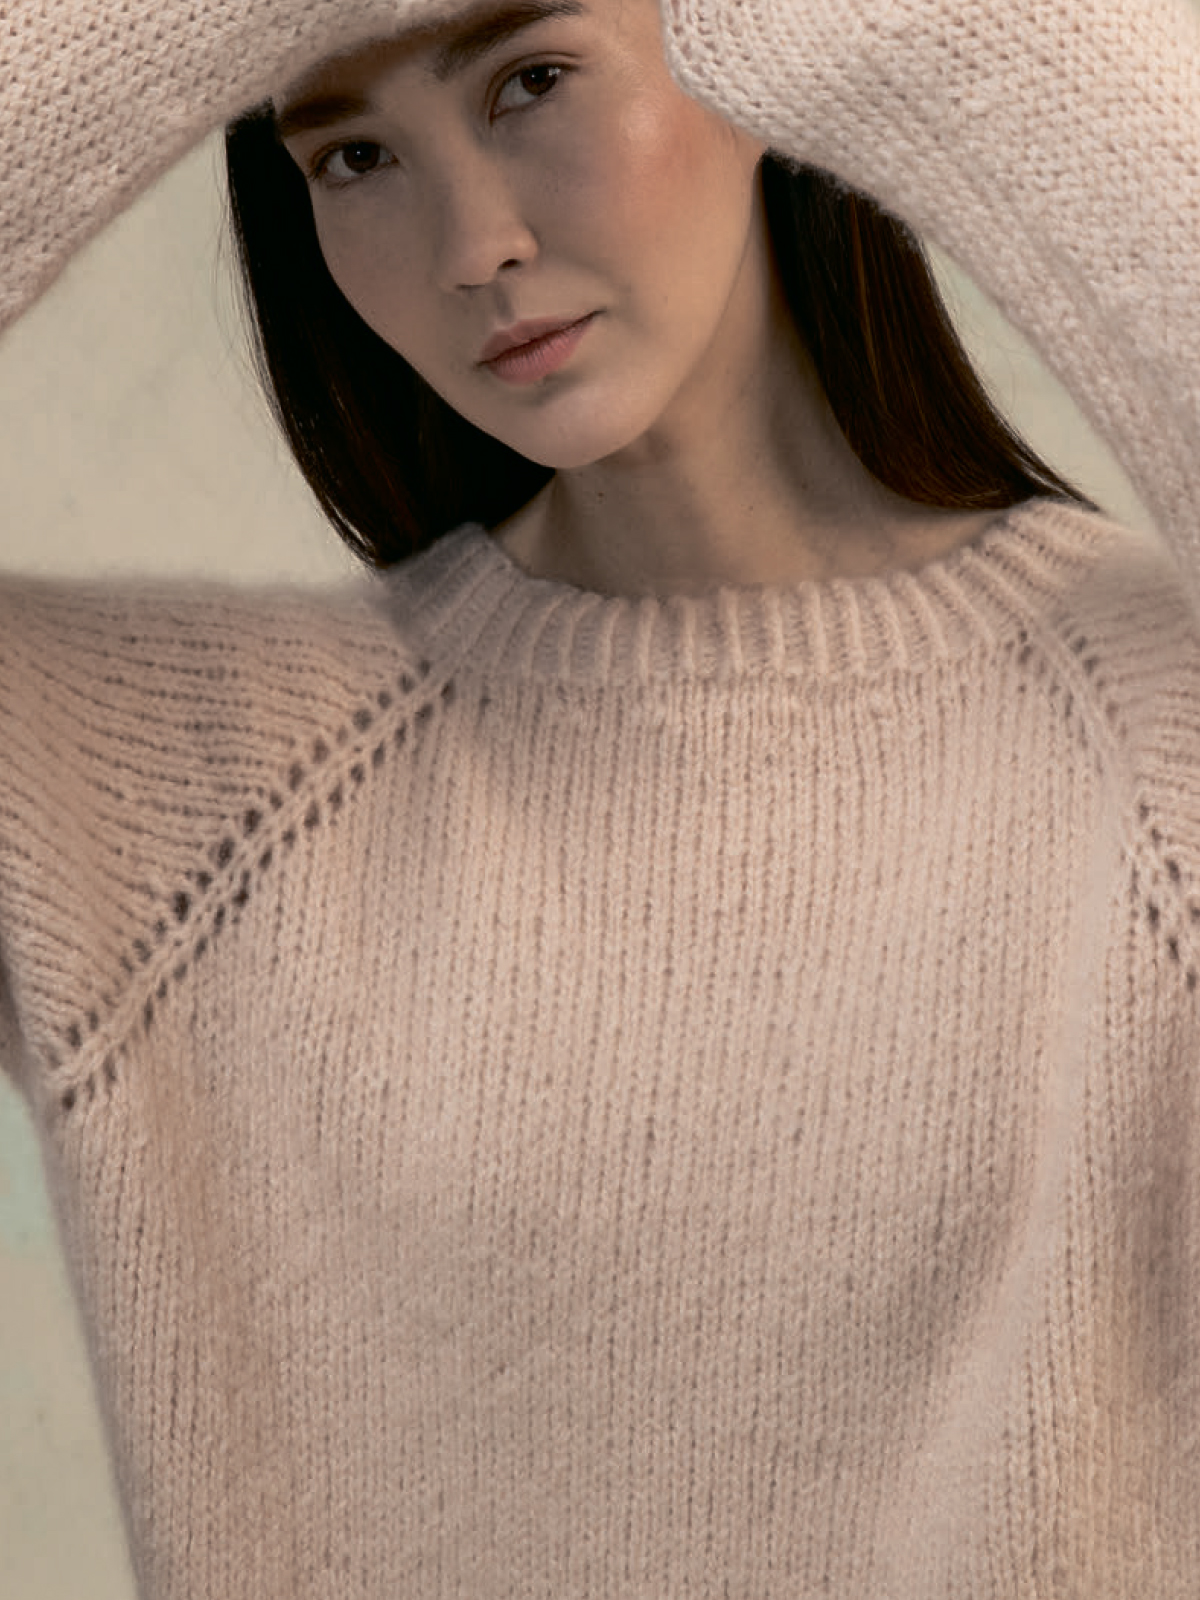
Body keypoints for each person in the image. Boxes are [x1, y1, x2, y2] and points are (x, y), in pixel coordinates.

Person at [0, 0, 1197, 1592]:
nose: (472, 247)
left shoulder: (1154, 758)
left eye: (534, 80)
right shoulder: (188, 814)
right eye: (353, 157)